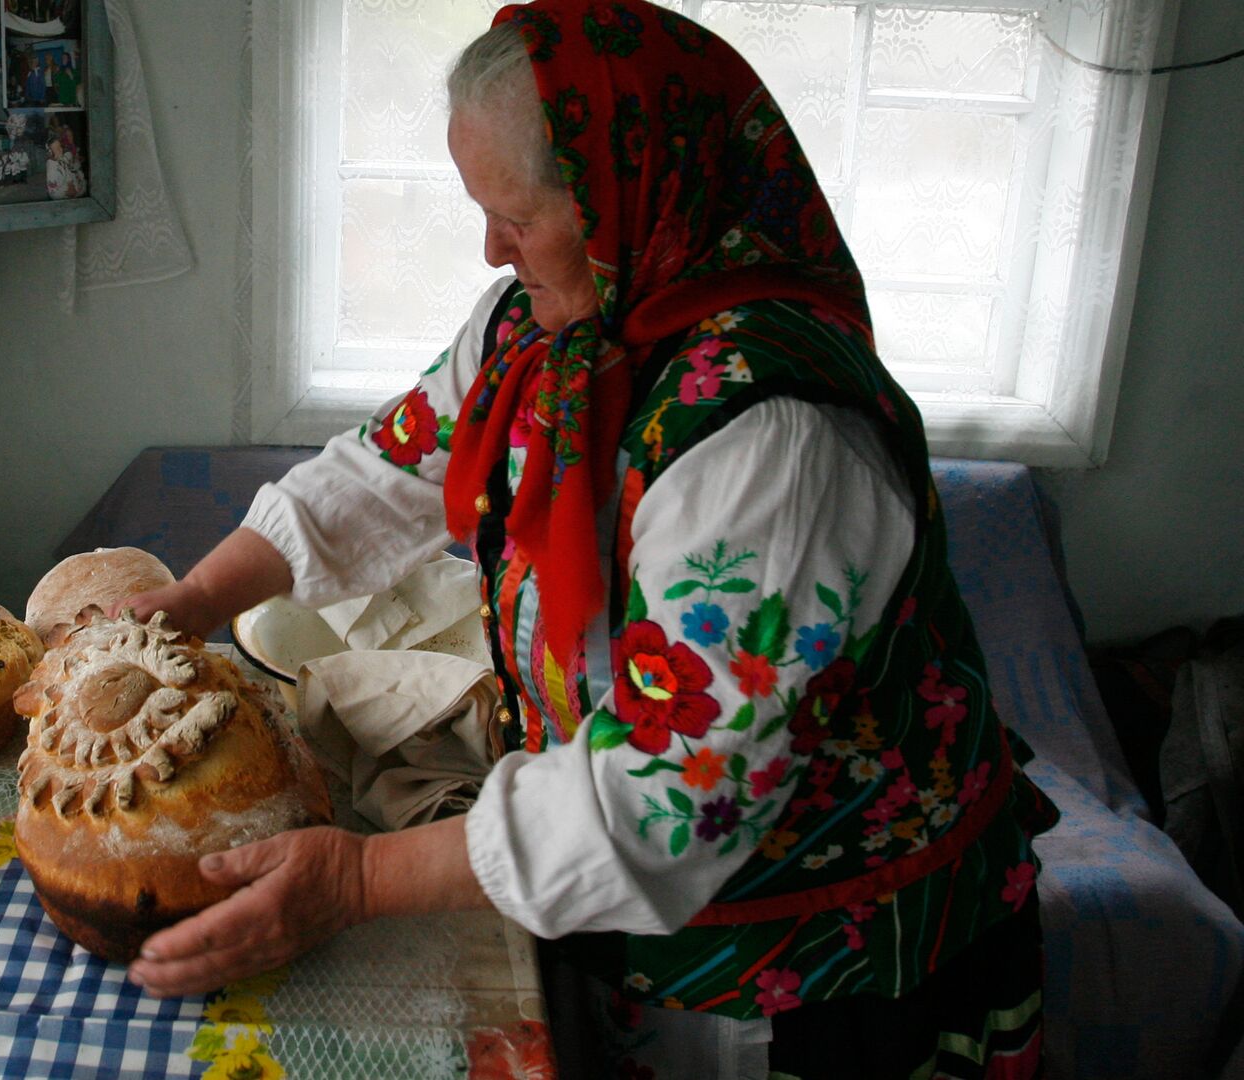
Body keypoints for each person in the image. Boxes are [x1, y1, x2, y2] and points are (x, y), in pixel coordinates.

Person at [117, 1, 1058, 1076]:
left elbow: (668, 796)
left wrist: (361, 883)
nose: (490, 247)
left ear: (624, 197)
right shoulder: (543, 327)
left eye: (515, 215)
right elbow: (387, 469)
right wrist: (190, 601)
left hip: (826, 957)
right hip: (631, 903)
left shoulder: (773, 441)